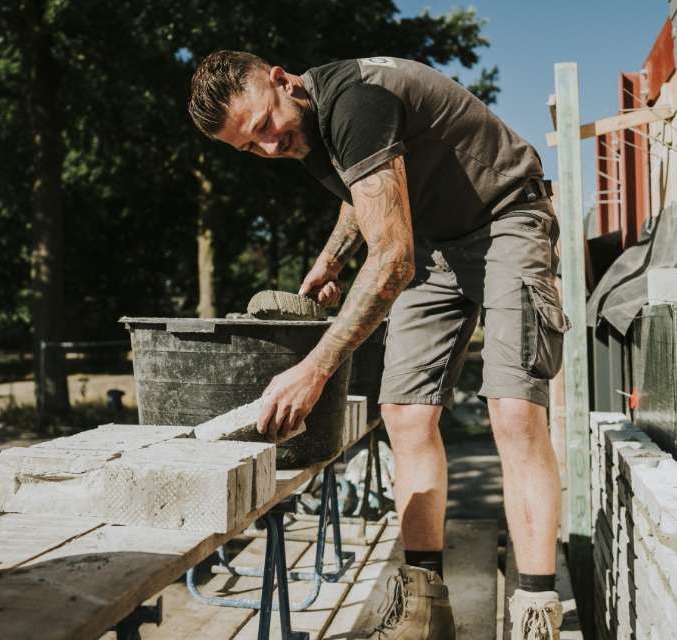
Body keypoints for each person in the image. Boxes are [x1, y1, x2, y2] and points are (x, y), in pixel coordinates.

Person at [188, 51, 570, 640]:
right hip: (432, 243)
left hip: (505, 216)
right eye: (248, 147)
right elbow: (368, 187)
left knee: (515, 410)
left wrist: (314, 369)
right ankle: (425, 602)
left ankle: (537, 609)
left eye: (264, 125)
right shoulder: (307, 126)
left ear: (282, 80)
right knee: (405, 413)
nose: (268, 147)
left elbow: (392, 258)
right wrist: (332, 258)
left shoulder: (357, 102)